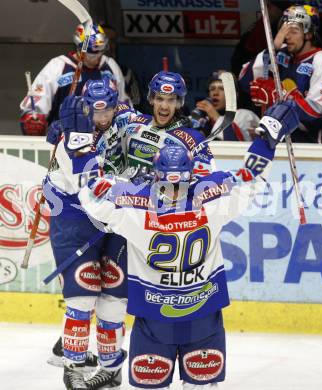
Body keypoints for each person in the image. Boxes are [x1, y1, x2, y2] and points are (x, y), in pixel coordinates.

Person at [78, 99, 300, 389]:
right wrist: (267, 137)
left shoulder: (134, 206)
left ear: (157, 174)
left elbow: (89, 193)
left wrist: (84, 148)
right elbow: (250, 176)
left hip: (153, 318)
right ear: (192, 173)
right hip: (203, 317)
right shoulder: (212, 198)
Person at [43, 78, 134, 390]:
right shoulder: (73, 133)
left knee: (114, 298)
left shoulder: (125, 122)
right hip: (75, 216)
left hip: (112, 213)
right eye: (96, 111)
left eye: (108, 108)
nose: (102, 117)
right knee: (82, 295)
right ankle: (73, 367)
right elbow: (89, 189)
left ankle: (111, 367)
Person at [238, 4, 322, 143]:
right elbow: (245, 81)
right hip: (277, 143)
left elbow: (315, 112)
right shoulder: (278, 54)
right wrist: (272, 48)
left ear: (309, 34)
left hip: (315, 147)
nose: (286, 36)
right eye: (283, 29)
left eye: (293, 31)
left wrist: (277, 95)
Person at [19, 23, 129, 136]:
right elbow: (36, 103)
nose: (97, 56)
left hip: (104, 140)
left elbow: (123, 103)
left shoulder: (110, 65)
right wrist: (32, 119)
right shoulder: (58, 66)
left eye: (101, 51)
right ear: (79, 47)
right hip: (63, 139)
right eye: (92, 53)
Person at [191, 70, 260, 141]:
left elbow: (232, 145)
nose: (215, 93)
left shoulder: (245, 116)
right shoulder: (205, 120)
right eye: (212, 89)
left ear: (234, 95)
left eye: (222, 89)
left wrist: (216, 117)